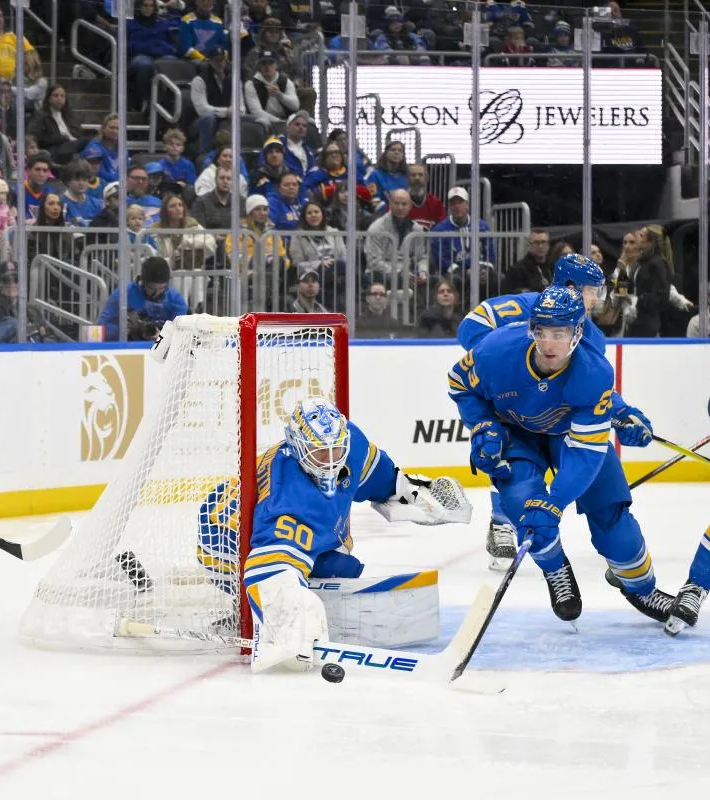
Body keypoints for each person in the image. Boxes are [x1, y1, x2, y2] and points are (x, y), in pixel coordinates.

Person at [448, 286, 672, 625]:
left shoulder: (593, 371)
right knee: (522, 503)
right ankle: (555, 568)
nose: (550, 343)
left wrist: (556, 501)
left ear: (577, 332)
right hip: (516, 432)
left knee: (614, 523)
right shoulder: (496, 350)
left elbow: (585, 453)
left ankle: (640, 587)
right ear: (531, 328)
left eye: (560, 332)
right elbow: (459, 383)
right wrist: (481, 425)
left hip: (568, 433)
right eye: (542, 331)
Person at [196, 397, 471, 671]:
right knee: (287, 577)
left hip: (269, 519)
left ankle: (302, 580)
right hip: (222, 539)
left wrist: (420, 495)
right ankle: (243, 602)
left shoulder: (352, 444)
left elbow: (385, 481)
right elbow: (267, 569)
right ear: (298, 447)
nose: (330, 461)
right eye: (320, 453)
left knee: (343, 565)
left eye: (336, 450)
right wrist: (287, 619)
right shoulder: (287, 498)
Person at [456, 253, 654, 571]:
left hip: (555, 418)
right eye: (592, 289)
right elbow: (470, 327)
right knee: (504, 455)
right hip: (514, 407)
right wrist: (505, 364)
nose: (595, 298)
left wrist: (618, 410)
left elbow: (587, 386)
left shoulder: (589, 335)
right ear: (573, 286)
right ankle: (501, 519)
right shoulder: (530, 306)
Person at [96, 256, 188, 341]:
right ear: (143, 282)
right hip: (128, 347)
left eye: (162, 288)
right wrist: (124, 329)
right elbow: (102, 327)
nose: (156, 293)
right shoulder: (123, 294)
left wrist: (164, 337)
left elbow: (181, 332)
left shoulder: (176, 300)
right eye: (151, 289)